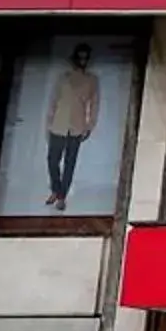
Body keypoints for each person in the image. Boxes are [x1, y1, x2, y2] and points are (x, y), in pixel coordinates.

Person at [45, 44, 104, 210]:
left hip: (77, 126)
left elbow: (94, 104)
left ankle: (62, 196)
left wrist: (89, 125)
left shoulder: (92, 80)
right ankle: (56, 190)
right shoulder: (63, 78)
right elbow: (53, 101)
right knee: (52, 160)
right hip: (58, 124)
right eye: (80, 57)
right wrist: (49, 123)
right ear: (75, 58)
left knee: (70, 163)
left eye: (86, 58)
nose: (83, 61)